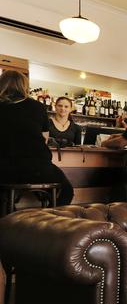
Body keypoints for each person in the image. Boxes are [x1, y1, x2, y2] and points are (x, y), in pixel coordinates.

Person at [0, 70, 73, 206]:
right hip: (37, 168)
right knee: (67, 191)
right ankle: (50, 219)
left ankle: (7, 217)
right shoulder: (37, 106)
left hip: (3, 168)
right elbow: (45, 138)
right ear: (24, 86)